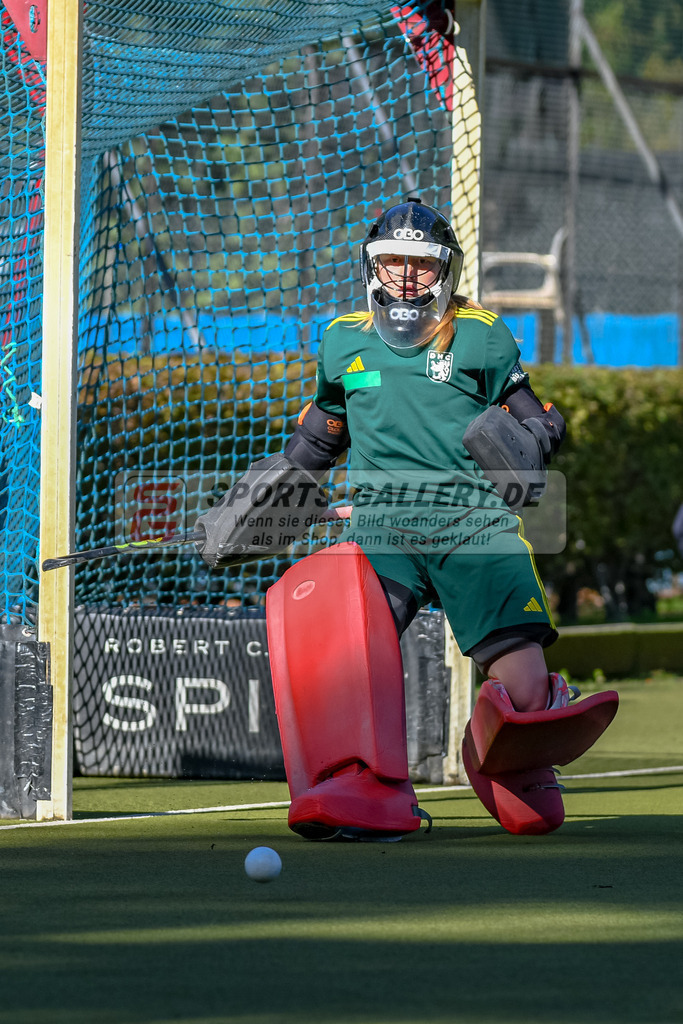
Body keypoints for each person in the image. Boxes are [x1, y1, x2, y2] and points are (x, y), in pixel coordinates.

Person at [195, 197, 618, 839]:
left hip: (475, 529)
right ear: (373, 268)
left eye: (421, 264)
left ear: (442, 270)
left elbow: (535, 417)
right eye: (392, 262)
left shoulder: (481, 334)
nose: (406, 276)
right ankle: (368, 784)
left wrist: (537, 439)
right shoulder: (343, 340)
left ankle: (497, 750)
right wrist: (254, 502)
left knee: (529, 701)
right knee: (349, 660)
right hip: (382, 533)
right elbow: (317, 439)